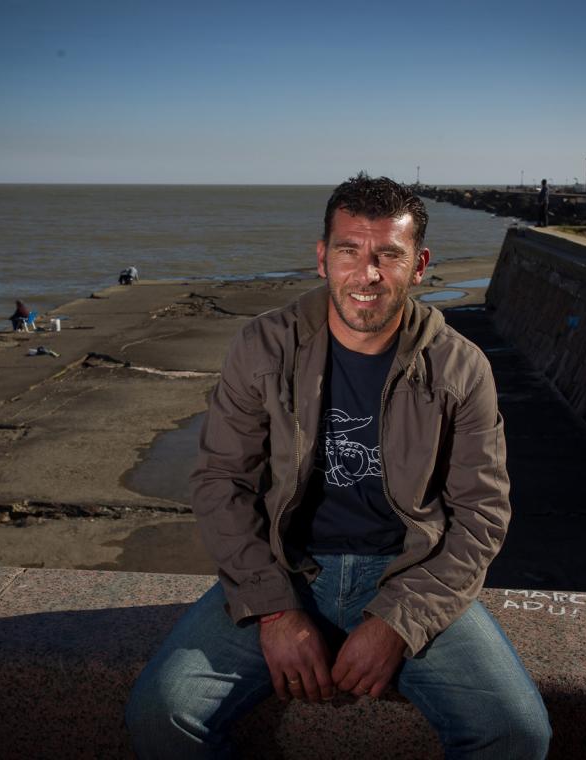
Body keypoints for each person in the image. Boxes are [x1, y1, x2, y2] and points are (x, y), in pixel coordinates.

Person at [126, 173, 550, 758]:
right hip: (289, 570)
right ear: (323, 258)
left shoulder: (460, 367)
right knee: (160, 712)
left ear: (419, 264)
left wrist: (400, 621)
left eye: (388, 255)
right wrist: (274, 610)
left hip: (408, 571)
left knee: (518, 732)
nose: (367, 274)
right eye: (349, 251)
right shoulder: (264, 346)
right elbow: (221, 482)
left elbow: (482, 513)